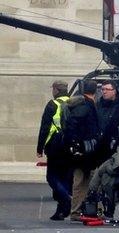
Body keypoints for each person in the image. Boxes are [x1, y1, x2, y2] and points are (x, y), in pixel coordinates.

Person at [63, 80, 102, 219]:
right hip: (85, 150)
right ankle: (78, 210)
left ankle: (80, 210)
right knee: (84, 180)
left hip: (82, 150)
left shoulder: (82, 105)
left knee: (83, 180)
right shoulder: (86, 106)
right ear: (95, 91)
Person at [36, 80, 71, 220]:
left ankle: (67, 200)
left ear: (56, 90)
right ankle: (60, 211)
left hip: (55, 145)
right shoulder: (73, 102)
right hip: (70, 145)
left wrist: (40, 147)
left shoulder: (53, 104)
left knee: (51, 177)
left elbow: (44, 128)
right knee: (64, 177)